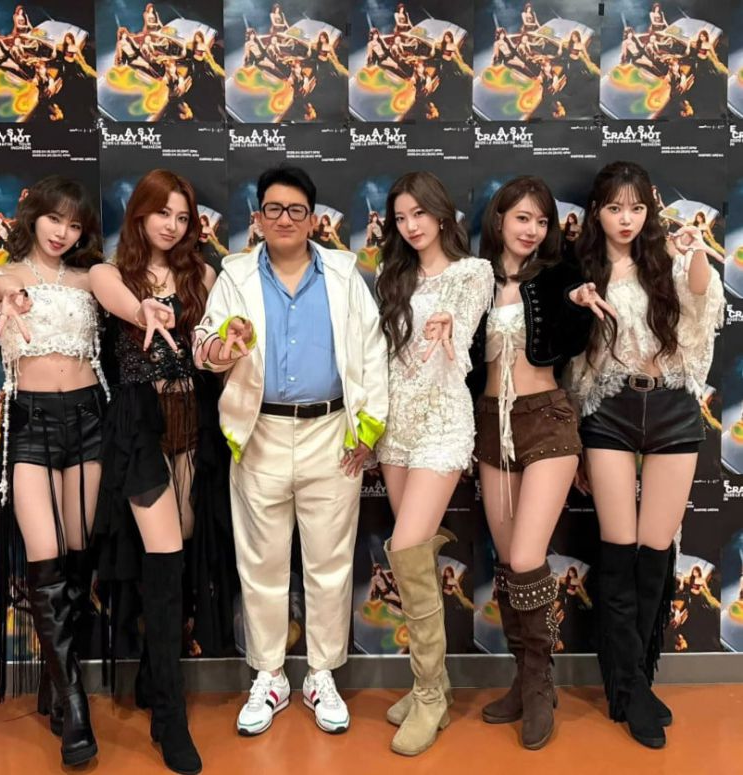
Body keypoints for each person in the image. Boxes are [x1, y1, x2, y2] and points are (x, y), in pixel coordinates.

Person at [193, 165, 388, 738]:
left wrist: (368, 430)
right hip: (260, 434)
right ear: (257, 218)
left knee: (330, 564)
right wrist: (223, 348)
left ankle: (322, 674)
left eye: (296, 210)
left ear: (312, 219)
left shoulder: (344, 273)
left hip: (333, 434)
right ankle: (270, 675)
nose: (284, 219)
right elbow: (204, 347)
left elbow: (372, 351)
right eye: (273, 209)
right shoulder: (233, 274)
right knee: (262, 565)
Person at [570, 161, 724, 749]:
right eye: (615, 208)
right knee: (618, 550)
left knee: (656, 553)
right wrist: (577, 301)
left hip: (672, 410)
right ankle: (630, 687)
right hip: (609, 412)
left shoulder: (667, 260)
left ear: (649, 210)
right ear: (598, 213)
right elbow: (571, 358)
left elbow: (701, 307)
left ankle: (636, 678)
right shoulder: (583, 270)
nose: (626, 219)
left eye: (636, 208)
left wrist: (696, 251)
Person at [90, 169, 226, 775]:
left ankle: (152, 673)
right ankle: (169, 718)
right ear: (139, 214)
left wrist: (222, 349)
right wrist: (142, 307)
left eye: (182, 215)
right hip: (140, 428)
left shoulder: (203, 275)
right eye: (162, 212)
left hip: (192, 423)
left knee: (184, 552)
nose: (172, 225)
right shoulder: (110, 273)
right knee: (166, 561)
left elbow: (212, 349)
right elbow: (116, 299)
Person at [469, 176, 605, 750]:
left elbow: (573, 335)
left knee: (528, 558)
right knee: (508, 565)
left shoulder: (558, 277)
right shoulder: (474, 278)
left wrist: (578, 305)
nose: (532, 229)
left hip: (546, 417)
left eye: (542, 220)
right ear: (499, 218)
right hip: (490, 423)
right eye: (522, 217)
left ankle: (540, 681)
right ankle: (523, 679)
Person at [0, 176, 107, 768]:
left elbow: (116, 294)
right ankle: (75, 705)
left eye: (75, 224)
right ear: (34, 217)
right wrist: (11, 294)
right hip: (31, 422)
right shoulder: (4, 275)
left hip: (88, 418)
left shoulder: (88, 277)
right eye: (55, 219)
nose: (63, 233)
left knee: (78, 561)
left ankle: (57, 682)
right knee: (46, 559)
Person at [375, 171, 493, 755]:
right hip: (395, 426)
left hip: (443, 424)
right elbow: (380, 357)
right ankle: (435, 683)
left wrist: (449, 327)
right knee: (413, 559)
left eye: (419, 213)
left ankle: (427, 696)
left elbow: (463, 330)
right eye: (400, 218)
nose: (411, 226)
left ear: (441, 214)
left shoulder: (474, 273)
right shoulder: (391, 277)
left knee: (405, 548)